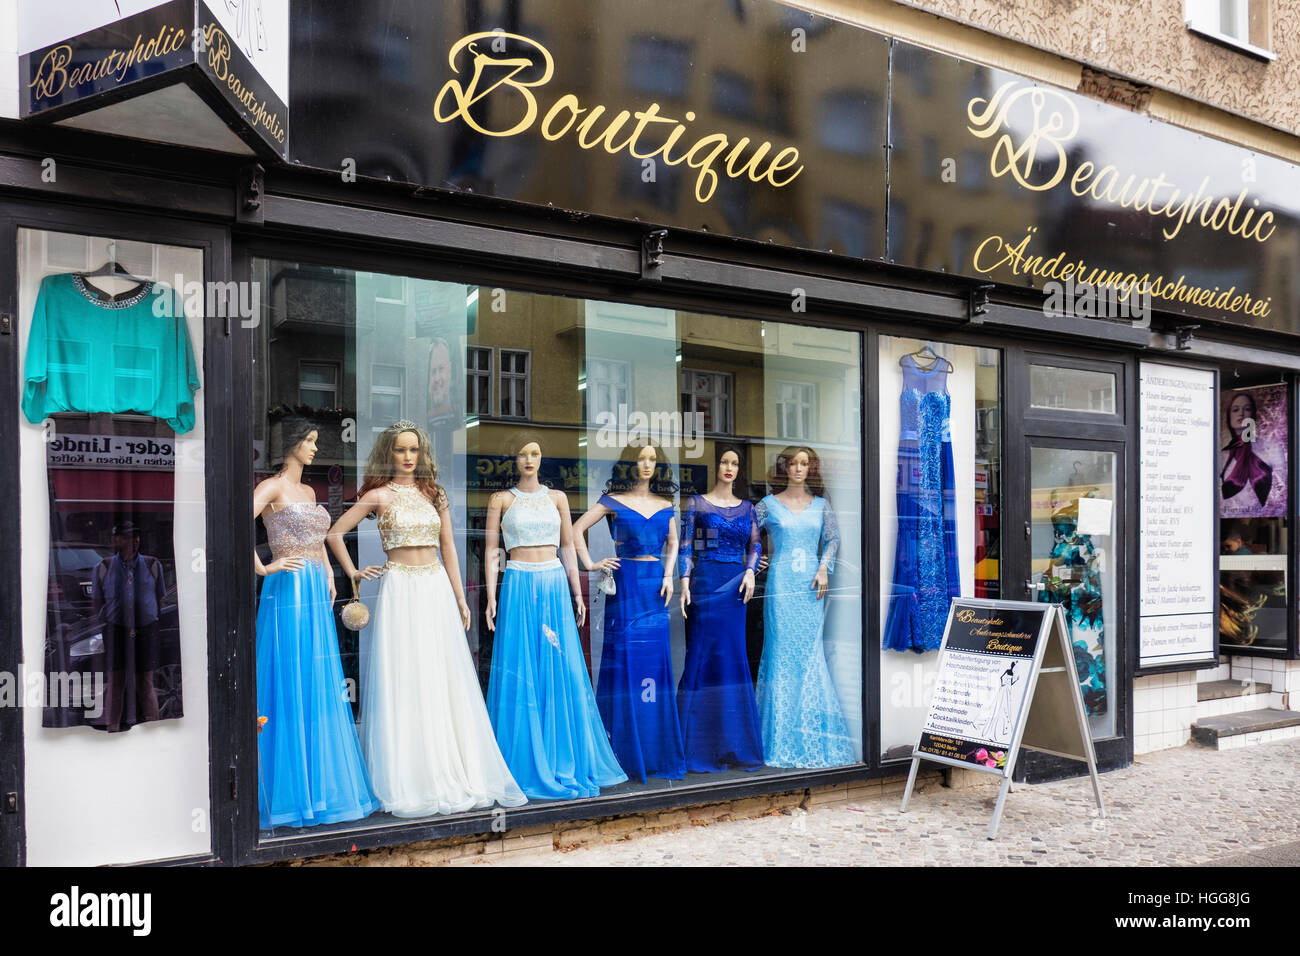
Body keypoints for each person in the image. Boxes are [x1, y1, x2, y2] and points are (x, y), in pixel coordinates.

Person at [327, 421, 525, 817]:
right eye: (400, 450)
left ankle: (449, 767)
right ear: (390, 453)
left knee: (442, 674)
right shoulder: (378, 495)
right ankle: (413, 776)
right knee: (406, 678)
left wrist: (459, 597)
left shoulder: (434, 493)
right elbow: (334, 534)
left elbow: (449, 547)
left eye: (413, 450)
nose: (407, 457)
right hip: (399, 588)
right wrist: (353, 572)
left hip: (434, 586)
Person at [484, 437, 627, 799]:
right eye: (522, 453)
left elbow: (567, 546)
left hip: (552, 585)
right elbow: (490, 550)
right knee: (522, 666)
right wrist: (490, 595)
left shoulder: (558, 498)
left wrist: (577, 592)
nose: (529, 459)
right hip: (516, 583)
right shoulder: (500, 500)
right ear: (514, 458)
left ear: (541, 457)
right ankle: (523, 759)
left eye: (534, 453)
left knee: (557, 667)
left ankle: (560, 754)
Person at [253, 419, 378, 829]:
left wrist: (328, 572)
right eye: (308, 441)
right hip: (287, 588)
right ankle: (290, 791)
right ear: (289, 444)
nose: (313, 449)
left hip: (313, 588)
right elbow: (234, 523)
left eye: (315, 442)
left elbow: (317, 539)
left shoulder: (308, 492)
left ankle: (318, 786)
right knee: (287, 678)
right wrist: (263, 568)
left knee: (314, 680)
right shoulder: (271, 488)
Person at [573, 441, 685, 782]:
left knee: (653, 666)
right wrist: (591, 563)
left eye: (652, 459)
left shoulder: (666, 505)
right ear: (630, 464)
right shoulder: (612, 501)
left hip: (655, 590)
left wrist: (669, 574)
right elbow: (577, 529)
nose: (647, 464)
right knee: (626, 665)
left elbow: (674, 542)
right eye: (641, 459)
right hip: (627, 585)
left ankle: (652, 750)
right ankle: (624, 752)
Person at [755, 446, 855, 768]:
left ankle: (814, 739)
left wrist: (824, 565)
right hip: (781, 586)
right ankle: (780, 739)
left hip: (811, 587)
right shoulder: (767, 505)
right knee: (782, 658)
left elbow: (834, 539)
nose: (799, 469)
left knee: (810, 658)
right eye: (794, 463)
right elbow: (747, 534)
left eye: (804, 463)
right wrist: (754, 559)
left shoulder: (822, 505)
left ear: (810, 469)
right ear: (784, 467)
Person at [677, 444, 764, 772]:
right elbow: (686, 544)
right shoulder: (696, 503)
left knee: (732, 660)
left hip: (735, 588)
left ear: (739, 469)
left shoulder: (748, 508)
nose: (729, 467)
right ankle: (693, 745)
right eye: (725, 462)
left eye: (735, 463)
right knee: (700, 656)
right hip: (706, 583)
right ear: (716, 466)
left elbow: (754, 544)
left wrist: (750, 571)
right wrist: (684, 580)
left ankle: (734, 744)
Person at [90, 522, 164, 732]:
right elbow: (97, 603)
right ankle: (112, 729)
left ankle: (154, 730)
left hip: (145, 629)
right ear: (115, 540)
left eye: (136, 537)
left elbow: (160, 599)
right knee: (116, 682)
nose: (133, 542)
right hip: (116, 629)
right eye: (127, 537)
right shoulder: (103, 567)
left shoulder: (152, 565)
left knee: (145, 683)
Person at [1221, 391, 1273, 508]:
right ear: (1229, 417)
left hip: (1263, 514)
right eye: (1235, 410)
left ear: (1253, 414)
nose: (1241, 414)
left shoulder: (1270, 448)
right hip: (1229, 515)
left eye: (1247, 409)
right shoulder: (1222, 455)